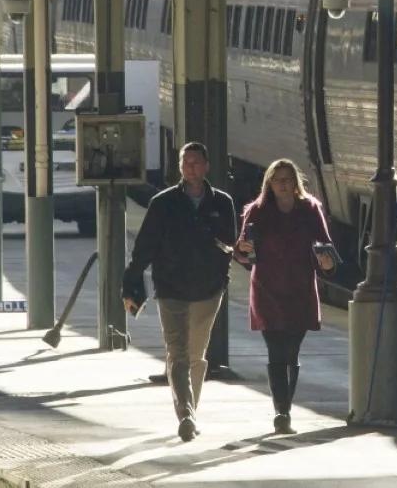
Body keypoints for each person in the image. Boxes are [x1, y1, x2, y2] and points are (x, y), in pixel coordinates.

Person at [123, 142, 236, 442]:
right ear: (180, 167)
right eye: (186, 161)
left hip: (207, 291)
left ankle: (190, 411)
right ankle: (185, 415)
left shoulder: (222, 203)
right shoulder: (163, 203)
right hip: (171, 288)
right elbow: (144, 247)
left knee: (196, 356)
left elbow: (232, 245)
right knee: (177, 354)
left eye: (197, 161)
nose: (191, 167)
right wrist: (130, 281)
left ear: (207, 166)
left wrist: (223, 269)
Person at [235, 158, 337, 434]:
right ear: (269, 183)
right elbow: (245, 255)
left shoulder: (310, 209)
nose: (282, 184)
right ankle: (282, 411)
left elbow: (324, 247)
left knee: (291, 352)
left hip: (300, 290)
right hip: (267, 290)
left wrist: (326, 263)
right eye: (277, 179)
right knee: (276, 352)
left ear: (296, 183)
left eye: (288, 179)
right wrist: (244, 249)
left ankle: (284, 407)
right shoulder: (257, 211)